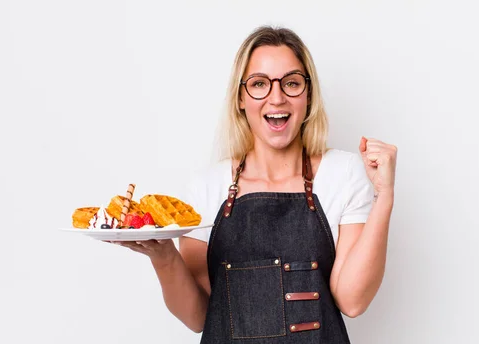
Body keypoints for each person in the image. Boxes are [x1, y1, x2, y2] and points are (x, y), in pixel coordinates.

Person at [115, 25, 397, 343]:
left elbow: (353, 300)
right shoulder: (207, 187)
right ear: (240, 97)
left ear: (308, 95)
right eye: (260, 84)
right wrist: (163, 256)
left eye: (291, 83)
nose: (276, 98)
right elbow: (197, 317)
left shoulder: (342, 173)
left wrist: (384, 196)